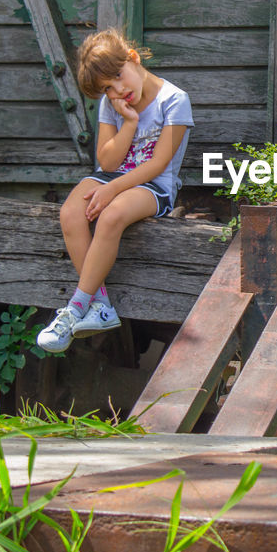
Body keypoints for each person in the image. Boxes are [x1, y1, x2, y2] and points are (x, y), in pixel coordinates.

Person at [37, 29, 194, 353]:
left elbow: (158, 164)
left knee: (112, 216)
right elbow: (107, 161)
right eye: (108, 88)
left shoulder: (174, 100)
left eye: (118, 77)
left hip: (155, 185)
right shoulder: (114, 106)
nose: (118, 89)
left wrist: (113, 191)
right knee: (70, 211)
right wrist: (131, 124)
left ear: (133, 59)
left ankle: (77, 307)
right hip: (114, 176)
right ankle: (101, 306)